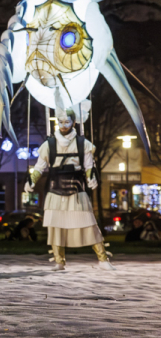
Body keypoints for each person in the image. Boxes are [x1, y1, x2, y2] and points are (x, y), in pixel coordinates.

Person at [25, 105, 113, 271]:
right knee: (56, 225)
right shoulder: (49, 144)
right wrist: (31, 180)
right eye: (61, 121)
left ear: (74, 122)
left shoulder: (82, 143)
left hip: (76, 186)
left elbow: (88, 165)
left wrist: (91, 177)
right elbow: (39, 166)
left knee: (88, 222)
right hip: (54, 187)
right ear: (57, 122)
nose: (64, 124)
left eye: (67, 121)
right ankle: (59, 261)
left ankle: (102, 259)